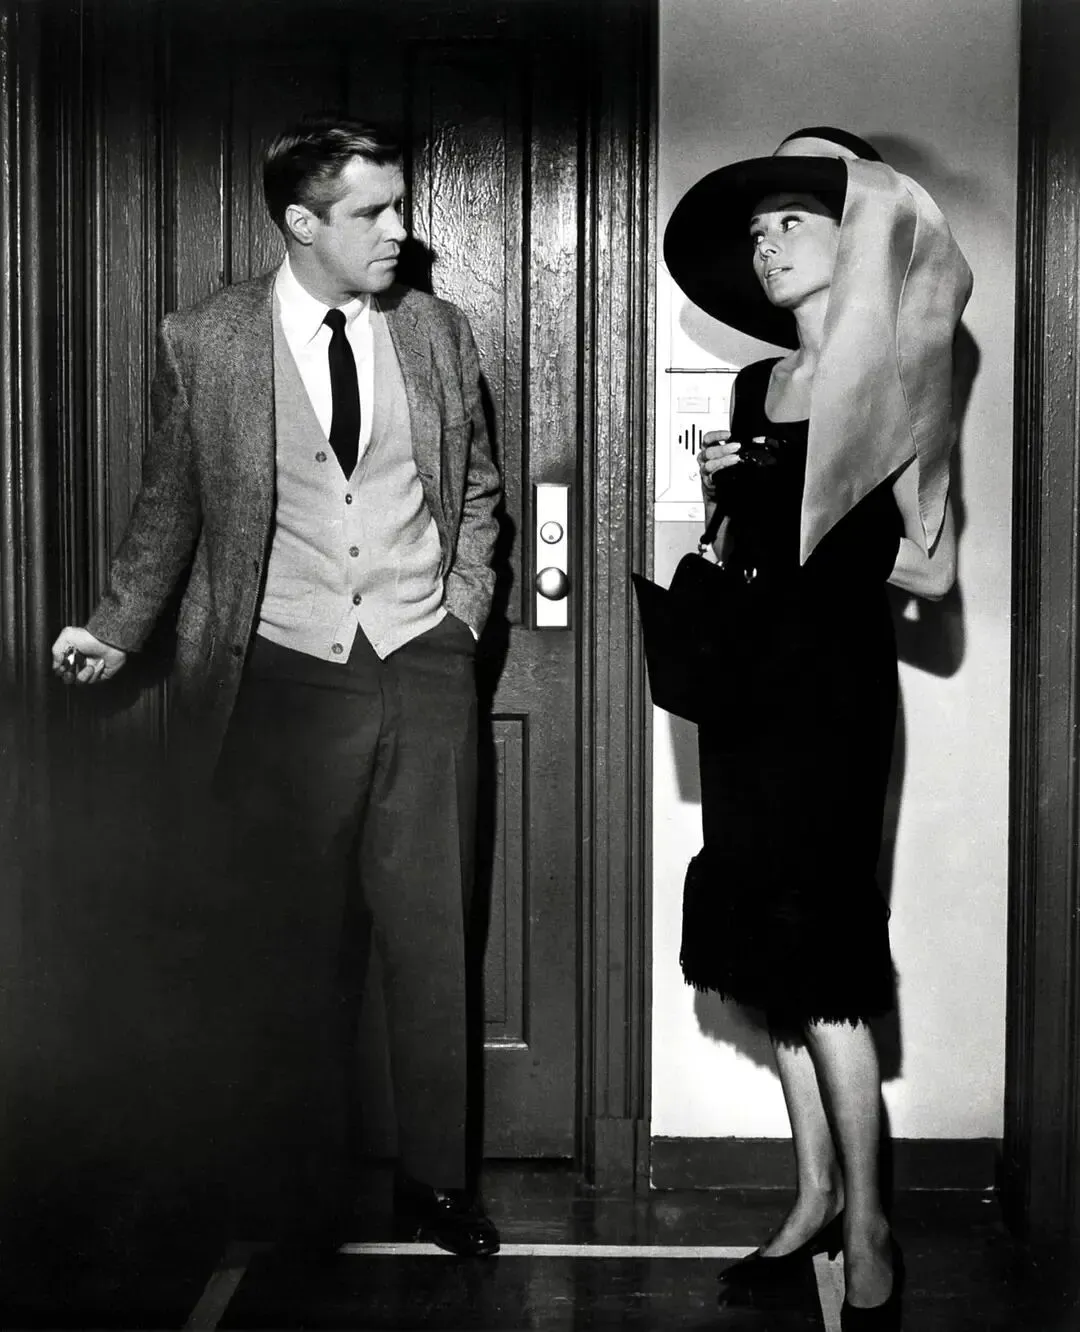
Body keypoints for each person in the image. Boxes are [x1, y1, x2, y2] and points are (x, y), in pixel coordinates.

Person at [49, 116, 502, 1258]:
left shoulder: (436, 330)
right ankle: (288, 1186)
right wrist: (118, 627)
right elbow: (172, 500)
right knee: (285, 947)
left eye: (399, 206)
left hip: (422, 661)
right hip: (284, 674)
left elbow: (479, 491)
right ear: (302, 223)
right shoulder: (207, 338)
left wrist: (461, 612)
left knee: (432, 937)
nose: (400, 231)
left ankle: (438, 1185)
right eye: (372, 212)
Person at [663, 127, 971, 1329]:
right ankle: (812, 1201)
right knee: (767, 958)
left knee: (828, 966)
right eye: (759, 228)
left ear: (861, 236)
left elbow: (932, 574)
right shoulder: (757, 385)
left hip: (830, 705)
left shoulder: (898, 377)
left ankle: (872, 1226)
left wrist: (814, 528)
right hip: (749, 695)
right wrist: (728, 512)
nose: (767, 242)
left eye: (794, 220)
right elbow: (741, 543)